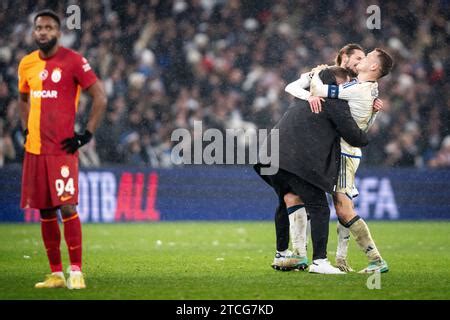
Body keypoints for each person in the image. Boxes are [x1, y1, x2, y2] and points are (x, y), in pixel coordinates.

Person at [18, 10, 107, 289]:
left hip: (62, 150)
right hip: (35, 150)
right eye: (39, 28)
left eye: (49, 28)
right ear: (34, 32)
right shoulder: (27, 64)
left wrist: (86, 135)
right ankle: (56, 274)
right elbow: (23, 98)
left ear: (58, 32)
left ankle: (76, 271)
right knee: (45, 210)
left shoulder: (73, 62)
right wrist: (25, 129)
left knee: (67, 206)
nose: (43, 32)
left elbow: (100, 97)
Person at [285, 48, 393, 273]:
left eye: (367, 58)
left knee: (343, 209)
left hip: (344, 153)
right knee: (336, 204)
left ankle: (375, 260)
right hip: (346, 151)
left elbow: (319, 90)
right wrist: (374, 114)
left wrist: (317, 73)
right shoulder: (369, 89)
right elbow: (361, 122)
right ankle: (332, 258)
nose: (362, 60)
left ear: (374, 67)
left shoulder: (358, 88)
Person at [255, 67, 369, 274]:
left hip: (268, 157)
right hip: (292, 160)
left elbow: (293, 86)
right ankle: (320, 262)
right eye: (346, 83)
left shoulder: (305, 96)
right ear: (336, 85)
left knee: (287, 198)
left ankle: (282, 254)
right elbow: (356, 138)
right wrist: (371, 118)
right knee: (319, 207)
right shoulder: (334, 102)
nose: (350, 86)